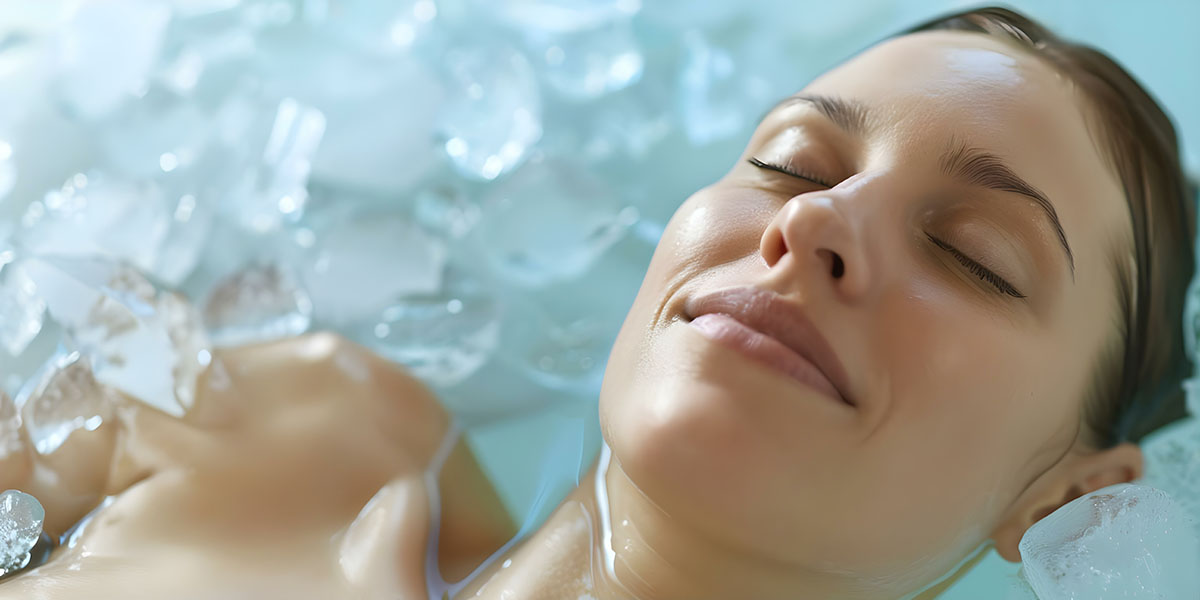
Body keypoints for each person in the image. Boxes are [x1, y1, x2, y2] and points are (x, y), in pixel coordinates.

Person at [0, 6, 1194, 599]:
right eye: (790, 163)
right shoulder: (275, 428)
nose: (818, 223)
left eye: (976, 256)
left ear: (1074, 499)